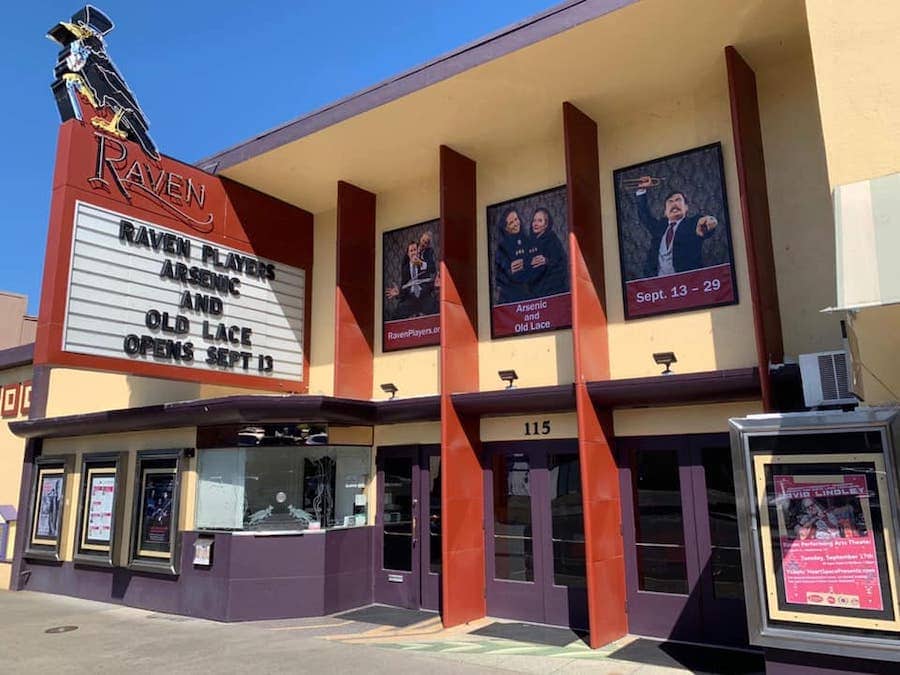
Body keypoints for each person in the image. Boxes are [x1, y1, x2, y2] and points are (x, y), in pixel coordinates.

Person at [633, 176, 718, 278]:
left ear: (686, 208)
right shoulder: (659, 227)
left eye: (678, 200)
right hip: (657, 285)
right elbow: (644, 215)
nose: (674, 204)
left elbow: (706, 224)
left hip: (687, 282)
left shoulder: (693, 223)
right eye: (670, 201)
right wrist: (641, 189)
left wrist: (711, 221)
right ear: (665, 211)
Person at [385, 241, 436, 318]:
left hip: (424, 295)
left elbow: (433, 269)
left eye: (415, 250)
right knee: (398, 312)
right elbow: (405, 286)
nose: (413, 253)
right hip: (411, 298)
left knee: (435, 307)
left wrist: (421, 263)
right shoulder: (405, 269)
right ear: (408, 254)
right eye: (411, 251)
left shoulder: (424, 262)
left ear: (418, 251)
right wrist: (398, 293)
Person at [526, 207, 568, 297]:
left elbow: (561, 263)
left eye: (540, 221)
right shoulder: (529, 241)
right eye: (534, 220)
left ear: (546, 224)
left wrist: (546, 261)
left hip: (552, 291)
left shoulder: (552, 239)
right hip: (534, 292)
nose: (535, 224)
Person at [494, 208, 530, 303]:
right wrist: (509, 270)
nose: (516, 223)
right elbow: (499, 277)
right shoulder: (502, 249)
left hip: (530, 294)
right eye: (511, 223)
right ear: (506, 228)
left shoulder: (528, 240)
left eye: (516, 219)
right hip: (510, 298)